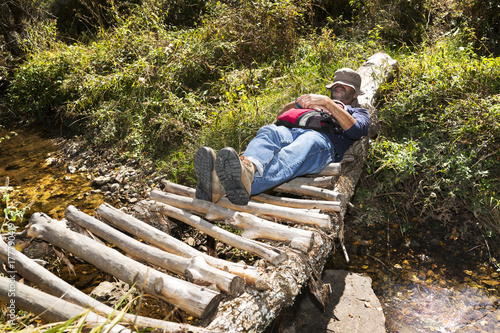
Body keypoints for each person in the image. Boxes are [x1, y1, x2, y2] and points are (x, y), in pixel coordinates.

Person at [194, 68, 370, 205]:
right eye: (336, 84)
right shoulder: (313, 101)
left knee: (297, 149)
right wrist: (298, 103)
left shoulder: (358, 111)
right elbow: (280, 116)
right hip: (288, 130)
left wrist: (328, 103)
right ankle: (248, 168)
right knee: (269, 131)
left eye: (345, 85)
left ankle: (220, 185)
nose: (339, 86)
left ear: (355, 94)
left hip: (321, 141)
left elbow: (357, 131)